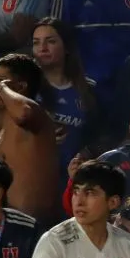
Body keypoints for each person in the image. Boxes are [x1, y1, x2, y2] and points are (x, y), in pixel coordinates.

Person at [0, 53, 61, 223]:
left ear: (20, 87)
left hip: (35, 228)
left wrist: (3, 88)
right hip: (10, 227)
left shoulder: (35, 113)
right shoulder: (5, 126)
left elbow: (23, 112)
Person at [31, 17, 98, 179]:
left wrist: (86, 153)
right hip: (34, 177)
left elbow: (100, 136)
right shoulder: (26, 88)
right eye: (36, 42)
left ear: (67, 47)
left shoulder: (88, 89)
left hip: (73, 180)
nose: (42, 48)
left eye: (50, 41)